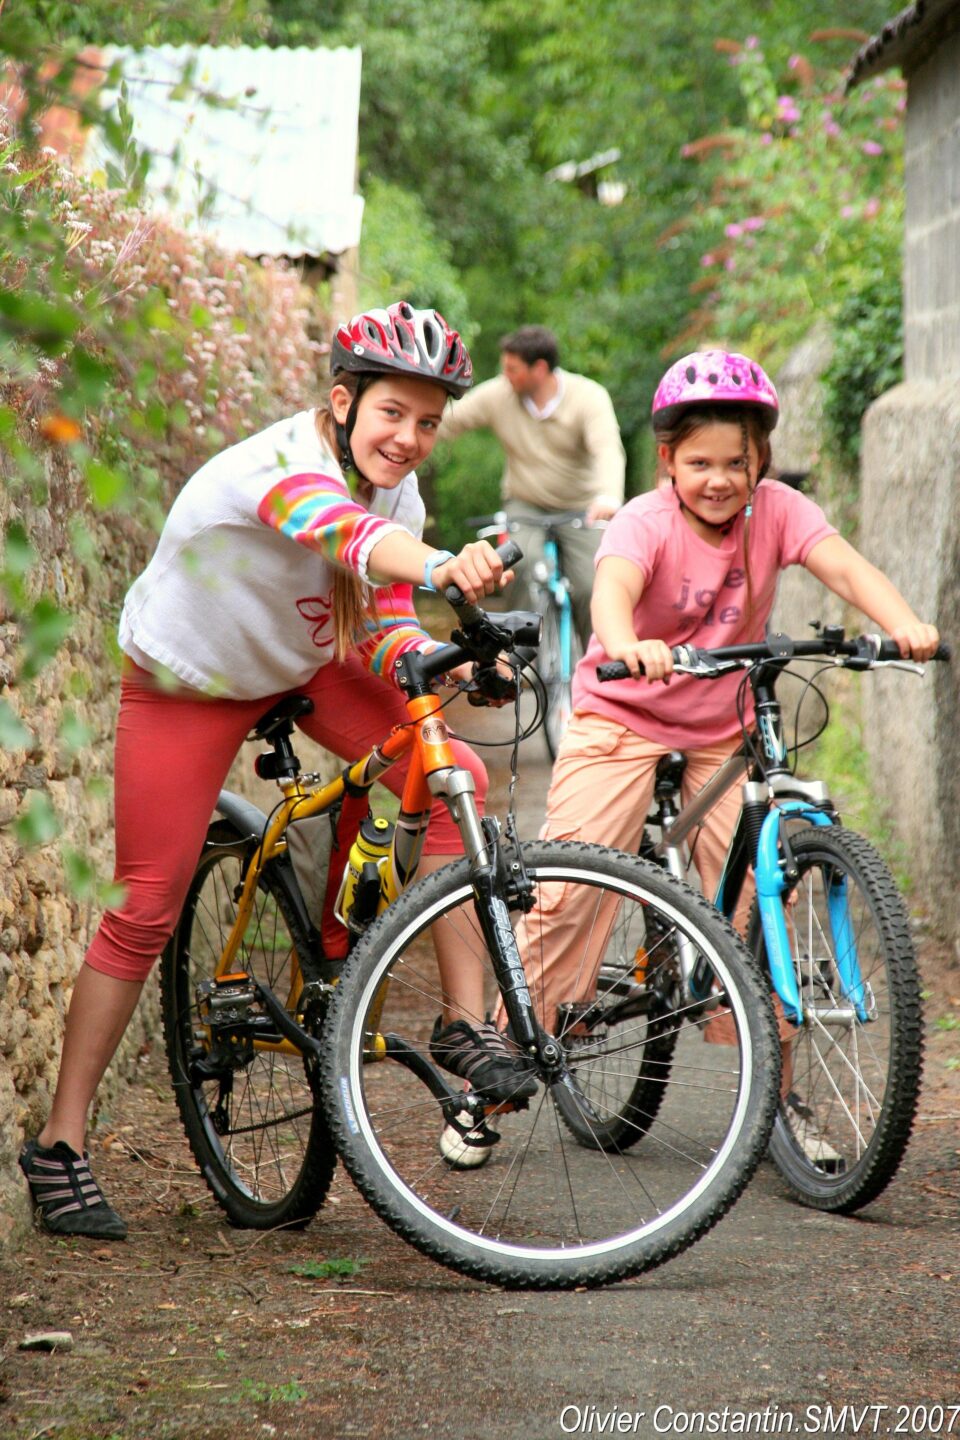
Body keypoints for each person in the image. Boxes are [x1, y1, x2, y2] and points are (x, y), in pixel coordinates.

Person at [18, 301, 534, 1239]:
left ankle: (465, 1024)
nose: (410, 438)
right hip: (192, 683)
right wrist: (445, 567)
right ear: (342, 403)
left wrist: (451, 659)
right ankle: (60, 1143)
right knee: (146, 904)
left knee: (446, 762)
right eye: (392, 415)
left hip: (301, 666)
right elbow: (344, 536)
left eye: (428, 422)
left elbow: (375, 624)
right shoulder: (278, 471)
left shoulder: (398, 496)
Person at [450, 347, 939, 1172]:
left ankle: (777, 1094)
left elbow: (844, 566)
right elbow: (611, 587)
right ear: (669, 460)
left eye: (736, 463)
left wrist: (905, 626)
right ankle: (490, 1080)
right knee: (569, 890)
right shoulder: (645, 519)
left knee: (755, 907)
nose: (719, 478)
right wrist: (628, 641)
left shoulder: (778, 512)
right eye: (700, 461)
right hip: (624, 710)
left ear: (762, 464)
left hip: (721, 716)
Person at [435, 324, 626, 648]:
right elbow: (447, 420)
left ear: (539, 369)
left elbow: (607, 449)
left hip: (581, 506)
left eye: (512, 369)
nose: (505, 375)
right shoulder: (499, 395)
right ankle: (522, 661)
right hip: (526, 503)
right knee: (522, 568)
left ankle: (600, 666)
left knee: (591, 584)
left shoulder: (588, 397)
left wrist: (609, 495)